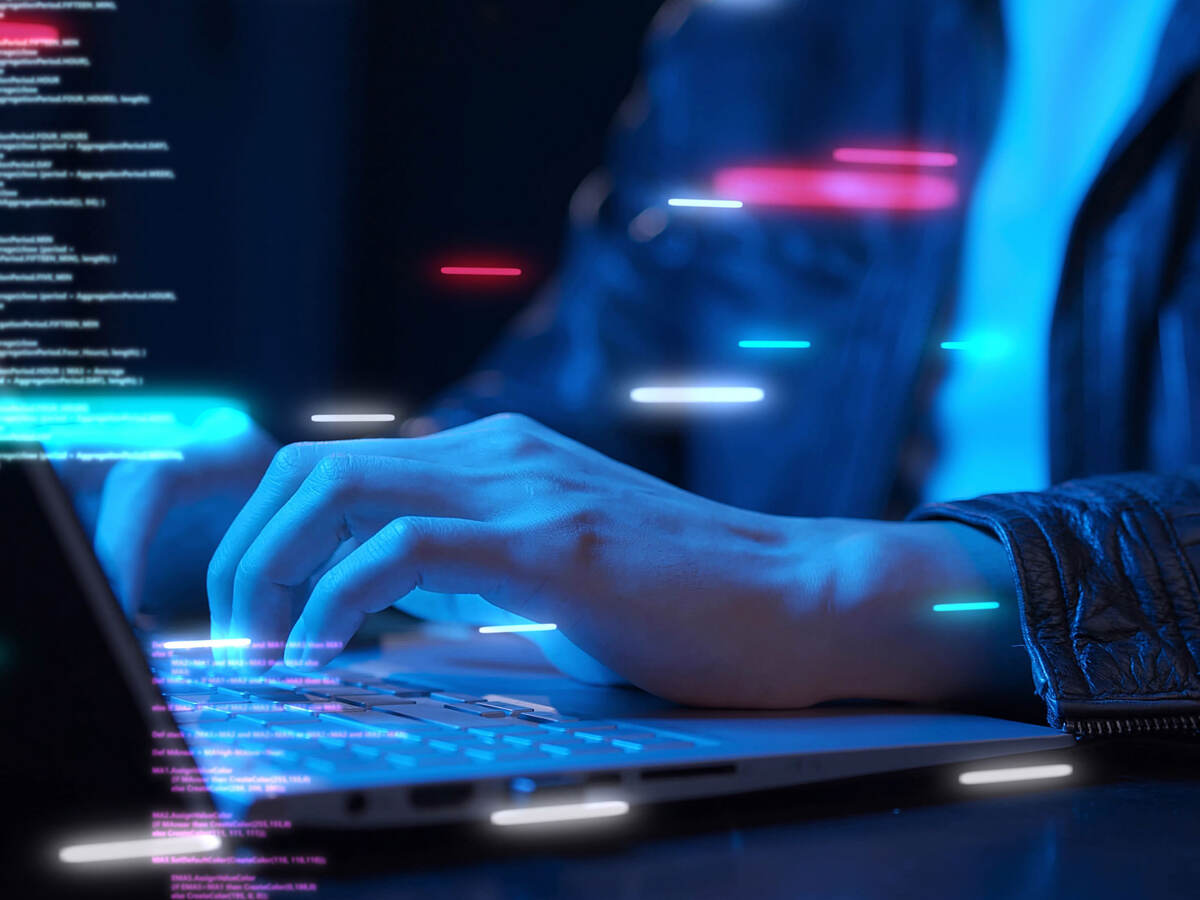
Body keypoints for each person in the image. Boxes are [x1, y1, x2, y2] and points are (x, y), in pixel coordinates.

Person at [87, 0, 1200, 733]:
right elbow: (585, 414)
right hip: (795, 761)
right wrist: (321, 509)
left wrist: (814, 585)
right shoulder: (759, 30)